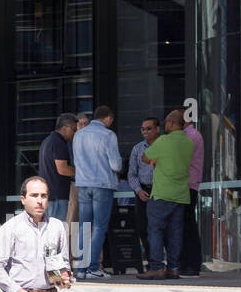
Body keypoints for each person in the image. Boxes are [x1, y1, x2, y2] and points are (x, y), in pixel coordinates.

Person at [137, 110, 195, 280]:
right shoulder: (188, 143)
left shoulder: (163, 140)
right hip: (181, 194)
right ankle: (174, 268)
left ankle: (157, 267)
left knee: (155, 230)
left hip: (162, 193)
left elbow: (145, 157)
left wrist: (155, 161)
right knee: (175, 232)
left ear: (170, 123)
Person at [72, 105, 123, 279]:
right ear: (108, 118)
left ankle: (80, 269)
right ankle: (93, 267)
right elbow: (116, 164)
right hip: (102, 183)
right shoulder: (108, 135)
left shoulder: (78, 135)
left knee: (83, 226)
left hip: (83, 184)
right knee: (99, 227)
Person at [127, 117, 161, 267]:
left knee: (160, 227)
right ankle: (151, 261)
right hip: (142, 191)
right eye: (143, 129)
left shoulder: (164, 146)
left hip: (160, 191)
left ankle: (163, 261)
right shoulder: (137, 148)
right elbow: (132, 174)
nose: (145, 131)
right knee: (143, 227)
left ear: (157, 129)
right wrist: (138, 190)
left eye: (149, 128)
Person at [38, 114, 77, 223]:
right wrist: (81, 172)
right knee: (56, 232)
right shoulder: (59, 143)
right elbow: (63, 169)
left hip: (49, 195)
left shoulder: (47, 141)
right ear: (65, 128)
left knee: (47, 232)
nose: (74, 133)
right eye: (73, 130)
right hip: (57, 197)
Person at [180, 121, 205, 277]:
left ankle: (192, 264)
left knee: (188, 225)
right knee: (186, 224)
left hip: (188, 184)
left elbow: (182, 158)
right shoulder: (191, 135)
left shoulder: (191, 136)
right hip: (188, 185)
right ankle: (189, 263)